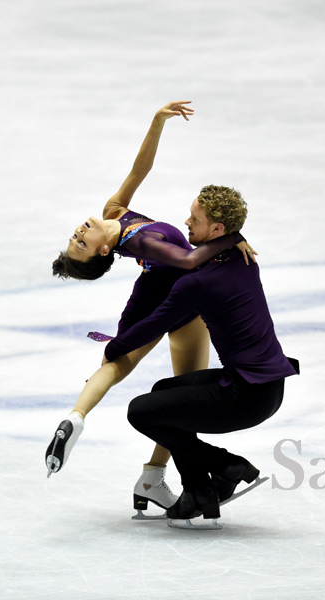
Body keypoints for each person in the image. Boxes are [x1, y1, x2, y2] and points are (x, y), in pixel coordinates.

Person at [45, 102, 256, 519]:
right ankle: (103, 438)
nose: (79, 232)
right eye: (81, 244)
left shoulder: (113, 212)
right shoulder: (138, 243)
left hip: (171, 297)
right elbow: (189, 261)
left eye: (74, 236)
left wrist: (156, 123)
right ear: (105, 252)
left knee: (150, 377)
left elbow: (138, 171)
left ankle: (121, 449)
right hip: (175, 293)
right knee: (151, 377)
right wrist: (231, 238)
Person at [102, 186, 299, 529]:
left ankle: (226, 465)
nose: (186, 223)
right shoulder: (242, 256)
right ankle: (198, 490)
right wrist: (236, 237)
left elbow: (153, 325)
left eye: (196, 219)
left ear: (218, 230)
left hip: (245, 396)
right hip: (262, 385)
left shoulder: (197, 283)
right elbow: (223, 245)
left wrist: (113, 349)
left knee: (141, 412)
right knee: (165, 390)